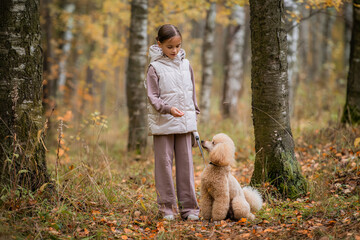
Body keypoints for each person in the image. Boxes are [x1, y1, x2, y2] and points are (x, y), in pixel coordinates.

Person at [145, 24, 200, 221]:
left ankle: (190, 209)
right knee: (164, 166)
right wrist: (168, 109)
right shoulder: (154, 68)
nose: (175, 51)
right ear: (159, 44)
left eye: (178, 46)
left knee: (186, 166)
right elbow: (153, 97)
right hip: (163, 123)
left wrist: (194, 113)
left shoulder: (186, 65)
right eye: (170, 47)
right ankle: (167, 209)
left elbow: (191, 92)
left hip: (185, 123)